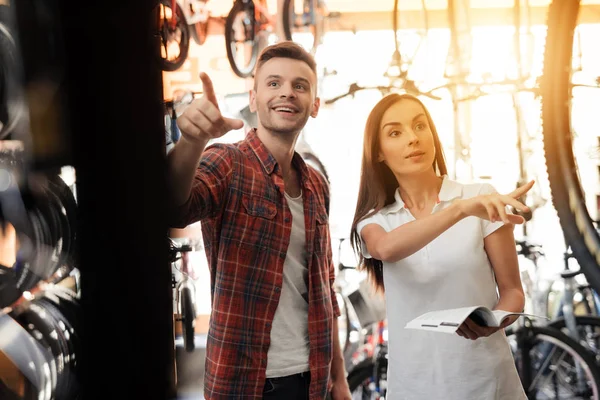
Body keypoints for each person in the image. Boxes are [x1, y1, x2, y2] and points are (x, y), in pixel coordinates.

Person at [167, 41, 352, 400]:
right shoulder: (227, 162)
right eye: (273, 83)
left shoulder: (316, 185)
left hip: (311, 379)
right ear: (254, 99)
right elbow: (173, 208)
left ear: (314, 105)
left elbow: (324, 288)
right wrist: (191, 139)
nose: (287, 92)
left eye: (300, 85)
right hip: (246, 384)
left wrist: (339, 378)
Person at [350, 93, 532, 399]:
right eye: (396, 132)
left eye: (420, 126)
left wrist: (495, 320)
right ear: (379, 152)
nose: (413, 138)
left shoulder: (479, 196)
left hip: (486, 380)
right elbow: (386, 249)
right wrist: (459, 210)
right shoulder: (376, 221)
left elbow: (513, 292)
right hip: (413, 385)